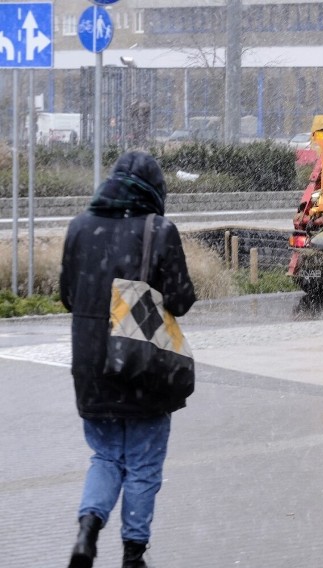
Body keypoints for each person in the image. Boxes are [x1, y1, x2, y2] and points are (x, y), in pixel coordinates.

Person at [60, 151, 196, 568]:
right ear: (155, 190)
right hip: (142, 364)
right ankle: (133, 554)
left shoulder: (80, 227)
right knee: (142, 462)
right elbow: (180, 300)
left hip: (90, 365)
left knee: (104, 456)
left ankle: (87, 529)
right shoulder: (159, 229)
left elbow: (68, 295)